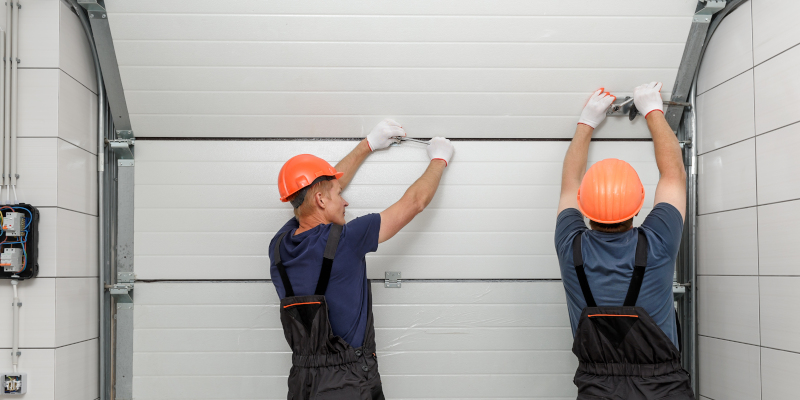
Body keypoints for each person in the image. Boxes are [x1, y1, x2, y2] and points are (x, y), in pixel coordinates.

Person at [269, 119, 454, 400]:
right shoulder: (346, 240)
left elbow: (314, 193)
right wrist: (439, 159)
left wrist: (368, 145)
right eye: (338, 195)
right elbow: (415, 202)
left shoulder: (279, 246)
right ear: (320, 200)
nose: (345, 202)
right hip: (349, 381)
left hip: (302, 382)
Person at [554, 83, 694, 399]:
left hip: (597, 387)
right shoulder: (658, 241)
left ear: (583, 205)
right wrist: (653, 110)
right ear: (639, 203)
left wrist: (586, 122)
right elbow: (673, 175)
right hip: (664, 387)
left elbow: (568, 185)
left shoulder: (569, 246)